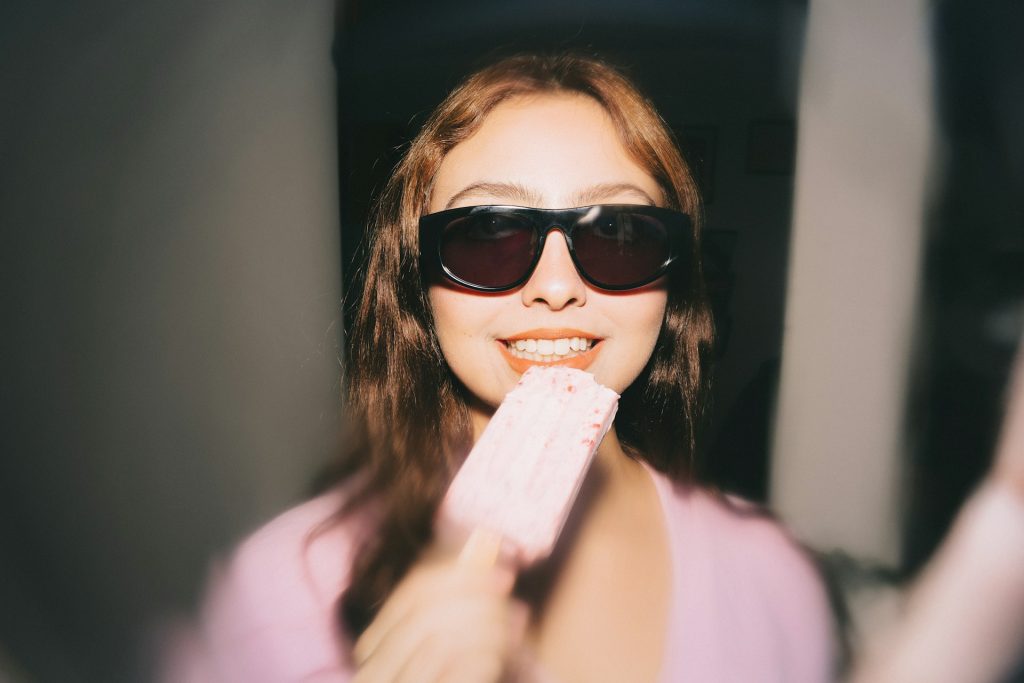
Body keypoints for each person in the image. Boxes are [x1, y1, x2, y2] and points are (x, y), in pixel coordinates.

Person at [159, 53, 834, 682]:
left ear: (671, 281)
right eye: (488, 232)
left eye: (618, 233)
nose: (555, 284)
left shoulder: (773, 577)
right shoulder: (278, 587)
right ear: (417, 282)